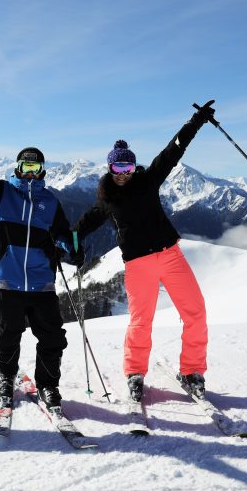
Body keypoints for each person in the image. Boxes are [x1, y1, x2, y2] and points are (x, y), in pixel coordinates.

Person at [72, 100, 217, 402]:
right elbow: (81, 228)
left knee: (196, 312)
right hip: (138, 266)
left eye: (127, 166)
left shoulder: (148, 181)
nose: (122, 173)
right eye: (117, 167)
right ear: (109, 168)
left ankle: (192, 372)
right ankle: (135, 373)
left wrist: (195, 122)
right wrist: (65, 243)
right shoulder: (106, 201)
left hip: (170, 255)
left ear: (133, 166)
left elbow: (172, 152)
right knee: (141, 321)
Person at [0, 105, 79, 411]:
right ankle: (5, 377)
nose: (29, 173)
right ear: (16, 169)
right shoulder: (1, 195)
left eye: (34, 169)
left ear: (42, 171)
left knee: (53, 337)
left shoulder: (50, 202)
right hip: (8, 281)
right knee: (8, 336)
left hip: (41, 283)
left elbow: (65, 235)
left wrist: (71, 249)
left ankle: (49, 385)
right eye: (24, 168)